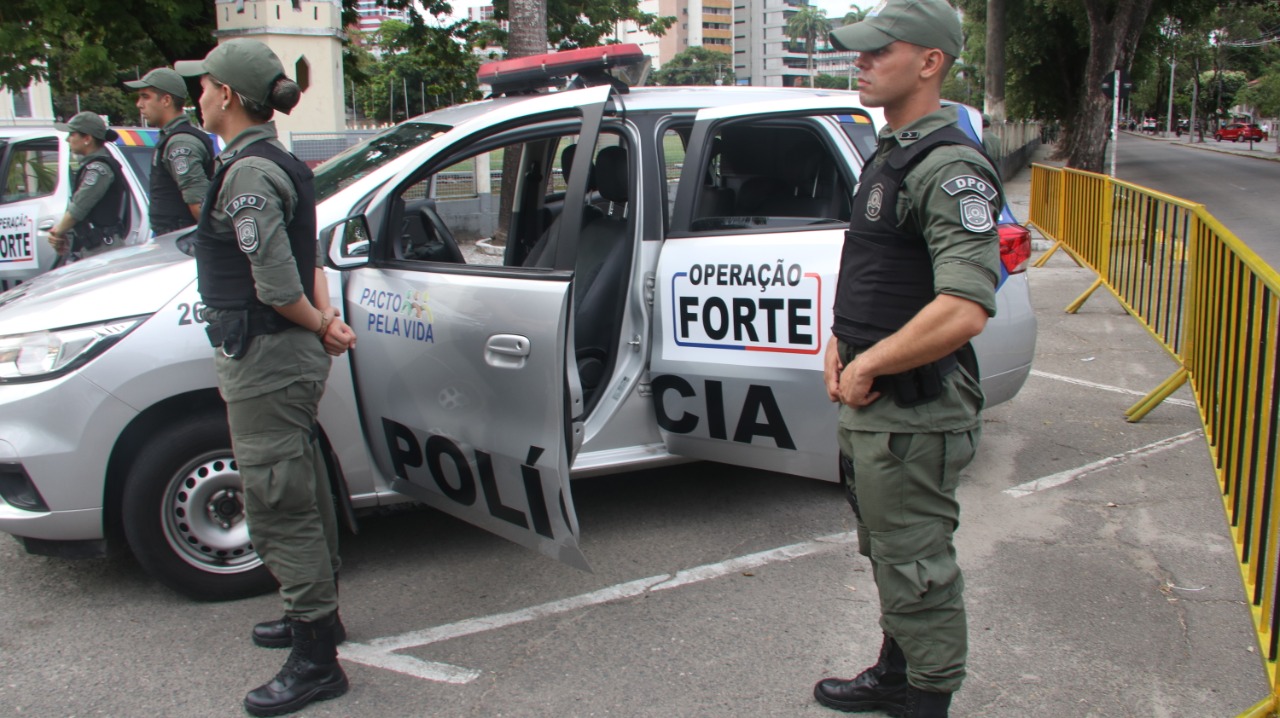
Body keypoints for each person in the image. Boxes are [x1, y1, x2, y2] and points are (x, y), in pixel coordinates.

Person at [814, 1, 1003, 716]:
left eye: (876, 51)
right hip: (882, 409)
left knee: (918, 567)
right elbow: (880, 272)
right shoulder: (892, 151)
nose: (859, 62)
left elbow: (963, 307)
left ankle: (926, 701)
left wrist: (868, 365)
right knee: (893, 557)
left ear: (929, 63)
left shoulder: (947, 165)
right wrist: (842, 341)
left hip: (913, 411)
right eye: (859, 53)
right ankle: (897, 675)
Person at [175, 38, 357, 717]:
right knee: (299, 481)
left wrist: (316, 322)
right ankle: (318, 616)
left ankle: (316, 659)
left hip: (269, 358)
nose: (199, 96)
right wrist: (324, 319)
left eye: (205, 87)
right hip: (282, 352)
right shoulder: (274, 162)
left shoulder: (250, 175)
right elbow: (307, 258)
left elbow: (278, 284)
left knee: (278, 498)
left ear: (226, 95)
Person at [126, 67, 214, 235]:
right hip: (175, 237)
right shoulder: (171, 137)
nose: (139, 104)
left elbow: (199, 204)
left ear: (166, 100)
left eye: (146, 97)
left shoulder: (180, 142)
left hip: (181, 239)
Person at [47, 112, 129, 263]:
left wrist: (57, 231)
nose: (67, 139)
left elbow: (78, 209)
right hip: (97, 247)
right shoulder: (93, 167)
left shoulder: (98, 169)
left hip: (103, 249)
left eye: (72, 134)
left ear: (87, 139)